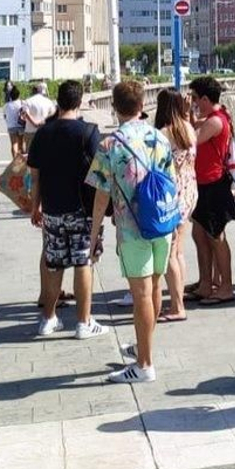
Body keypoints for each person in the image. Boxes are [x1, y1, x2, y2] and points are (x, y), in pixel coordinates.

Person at [87, 80, 176, 383]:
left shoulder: (110, 145)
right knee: (154, 289)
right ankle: (143, 347)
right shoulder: (160, 138)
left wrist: (94, 233)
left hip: (131, 227)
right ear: (142, 106)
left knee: (140, 296)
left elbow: (100, 196)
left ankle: (144, 364)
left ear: (114, 107)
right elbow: (171, 184)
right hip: (162, 223)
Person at [27, 80, 107, 340]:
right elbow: (100, 174)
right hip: (81, 209)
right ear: (80, 101)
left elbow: (35, 176)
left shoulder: (43, 134)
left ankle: (48, 319)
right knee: (83, 262)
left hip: (52, 208)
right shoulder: (89, 132)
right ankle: (84, 323)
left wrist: (34, 206)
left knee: (54, 263)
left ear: (58, 101)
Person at [187, 75, 235, 305]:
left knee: (216, 237)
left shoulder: (216, 121)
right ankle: (206, 282)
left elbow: (191, 140)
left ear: (206, 99)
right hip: (203, 184)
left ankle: (225, 285)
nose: (195, 102)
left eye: (196, 98)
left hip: (213, 184)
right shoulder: (212, 117)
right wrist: (190, 113)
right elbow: (194, 126)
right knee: (200, 233)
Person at [154, 87, 197, 322]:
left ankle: (177, 306)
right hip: (189, 191)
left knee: (170, 253)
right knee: (179, 250)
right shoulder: (188, 129)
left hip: (171, 195)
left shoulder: (162, 134)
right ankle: (178, 301)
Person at [22, 82, 54, 149]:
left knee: (30, 153)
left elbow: (26, 113)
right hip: (44, 131)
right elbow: (52, 114)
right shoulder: (49, 102)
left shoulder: (27, 101)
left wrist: (34, 123)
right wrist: (42, 122)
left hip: (30, 130)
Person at [3, 85, 28, 158]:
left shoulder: (7, 105)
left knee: (14, 143)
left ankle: (14, 159)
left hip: (11, 126)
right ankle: (23, 159)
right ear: (18, 95)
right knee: (22, 143)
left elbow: (5, 116)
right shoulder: (22, 102)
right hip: (21, 125)